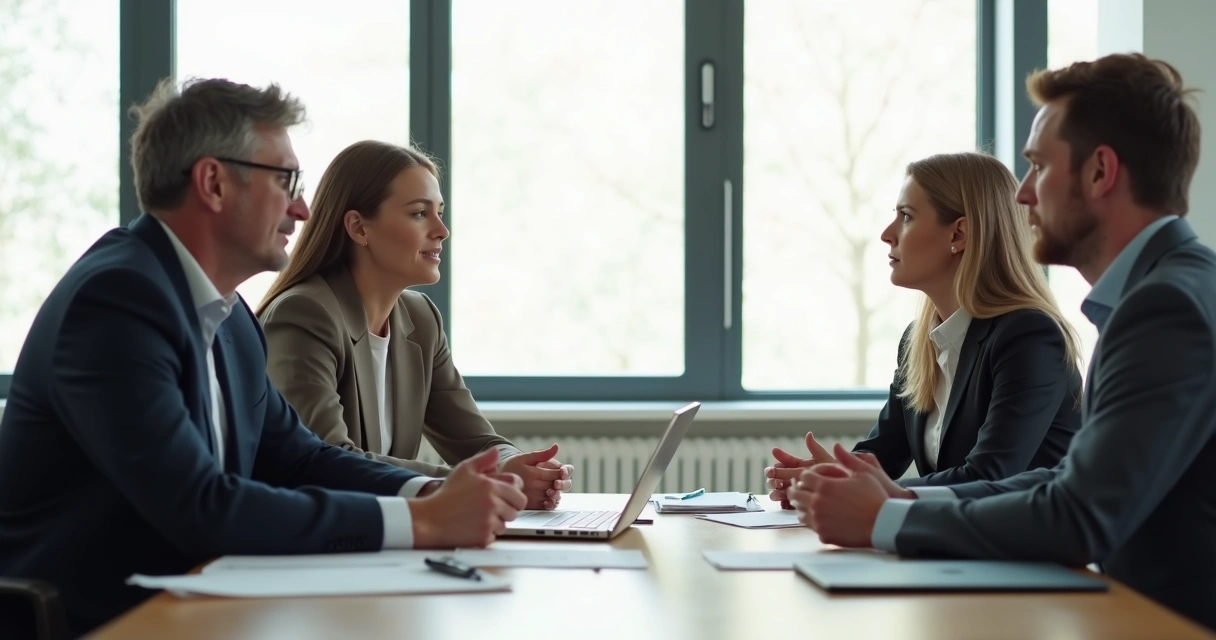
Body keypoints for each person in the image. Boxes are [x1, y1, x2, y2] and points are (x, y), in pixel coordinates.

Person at [0, 78, 526, 635]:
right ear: (214, 183)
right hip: (93, 619)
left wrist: (434, 491)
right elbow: (201, 506)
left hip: (196, 601)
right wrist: (420, 522)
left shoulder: (230, 317)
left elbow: (299, 458)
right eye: (285, 181)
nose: (302, 208)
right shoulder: (116, 303)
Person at [789, 53, 1216, 631]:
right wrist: (903, 500)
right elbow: (1071, 482)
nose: (1022, 195)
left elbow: (1081, 515)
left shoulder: (1163, 306)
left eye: (1038, 166)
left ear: (1099, 173)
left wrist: (886, 519)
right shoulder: (1171, 287)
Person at [255, 140, 573, 511]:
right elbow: (325, 460)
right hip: (312, 542)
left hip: (384, 537)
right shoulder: (305, 314)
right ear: (359, 228)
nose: (442, 230)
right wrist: (485, 481)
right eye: (420, 214)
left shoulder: (420, 317)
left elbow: (476, 441)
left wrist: (521, 468)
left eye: (439, 212)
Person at [766, 151, 1083, 505]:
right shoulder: (917, 341)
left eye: (906, 216)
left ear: (959, 233)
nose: (887, 234)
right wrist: (827, 478)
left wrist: (869, 491)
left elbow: (990, 476)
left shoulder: (1029, 337)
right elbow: (882, 456)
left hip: (1026, 553)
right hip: (956, 546)